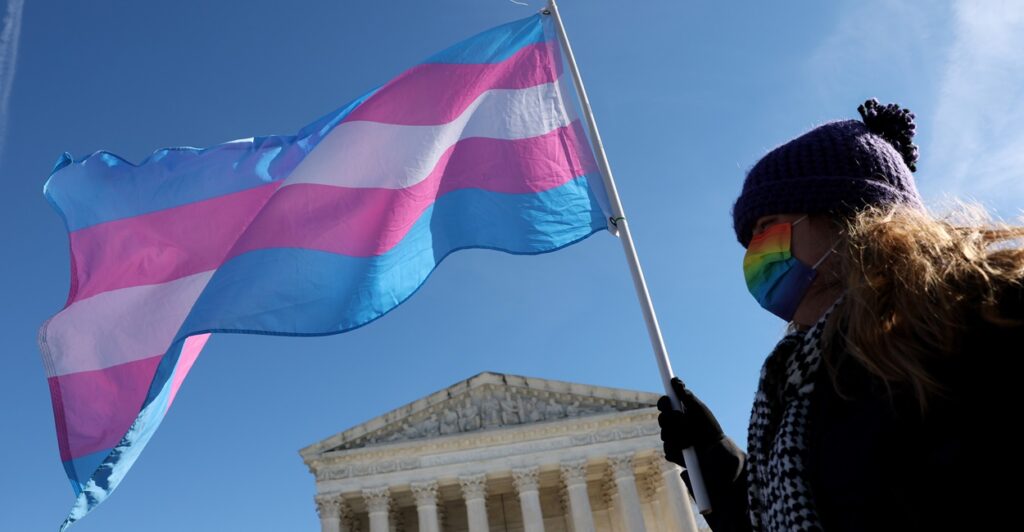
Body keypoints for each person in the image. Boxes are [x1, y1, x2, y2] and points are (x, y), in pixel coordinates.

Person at [658, 99, 1024, 531]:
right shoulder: (801, 380)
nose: (756, 251)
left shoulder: (983, 321)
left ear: (847, 217)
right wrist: (716, 459)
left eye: (766, 226)